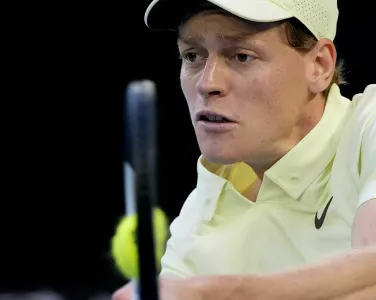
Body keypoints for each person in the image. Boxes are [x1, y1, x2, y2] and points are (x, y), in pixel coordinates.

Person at [113, 0, 376, 299]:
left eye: (241, 56)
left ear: (319, 66)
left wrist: (224, 292)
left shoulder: (370, 125)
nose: (207, 83)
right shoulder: (196, 223)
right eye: (192, 55)